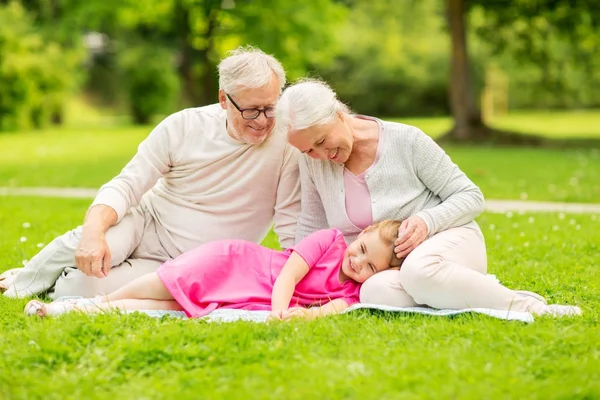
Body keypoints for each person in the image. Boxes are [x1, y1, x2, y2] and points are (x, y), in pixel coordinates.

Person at [3, 46, 301, 300]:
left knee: (77, 286)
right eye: (251, 111)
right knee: (80, 245)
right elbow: (127, 184)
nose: (262, 121)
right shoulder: (184, 126)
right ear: (224, 99)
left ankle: (50, 278)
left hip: (186, 265)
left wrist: (298, 280)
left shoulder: (288, 143)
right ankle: (22, 283)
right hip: (146, 223)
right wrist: (94, 234)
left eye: (270, 108)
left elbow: (290, 223)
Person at [275, 78, 581, 317]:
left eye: (321, 141)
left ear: (339, 115)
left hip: (449, 239)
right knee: (373, 293)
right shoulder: (313, 160)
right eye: (307, 150)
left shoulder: (406, 140)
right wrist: (291, 281)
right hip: (390, 270)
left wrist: (426, 221)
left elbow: (471, 196)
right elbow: (311, 223)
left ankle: (529, 307)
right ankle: (459, 290)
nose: (320, 155)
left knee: (418, 271)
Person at [24, 220, 405, 319]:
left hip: (244, 298)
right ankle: (89, 303)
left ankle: (82, 309)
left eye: (370, 266)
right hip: (234, 265)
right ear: (364, 232)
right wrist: (280, 313)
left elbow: (330, 310)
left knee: (172, 308)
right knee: (162, 286)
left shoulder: (355, 293)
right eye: (362, 250)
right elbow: (289, 275)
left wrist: (305, 317)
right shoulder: (329, 240)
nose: (357, 262)